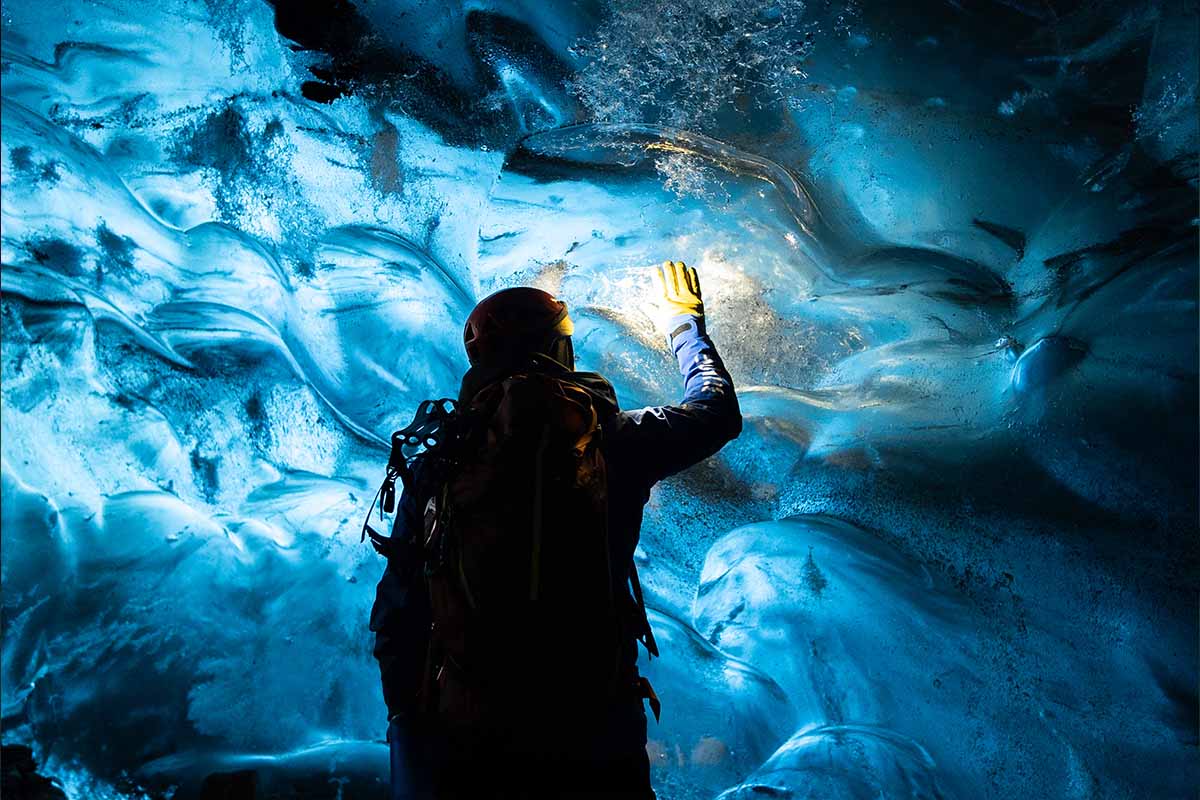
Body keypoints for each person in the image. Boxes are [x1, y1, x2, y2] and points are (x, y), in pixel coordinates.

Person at [369, 261, 741, 799]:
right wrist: (685, 325)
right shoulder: (614, 440)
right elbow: (716, 411)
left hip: (476, 738)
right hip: (595, 727)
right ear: (561, 348)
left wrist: (409, 721)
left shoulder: (443, 462)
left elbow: (397, 613)